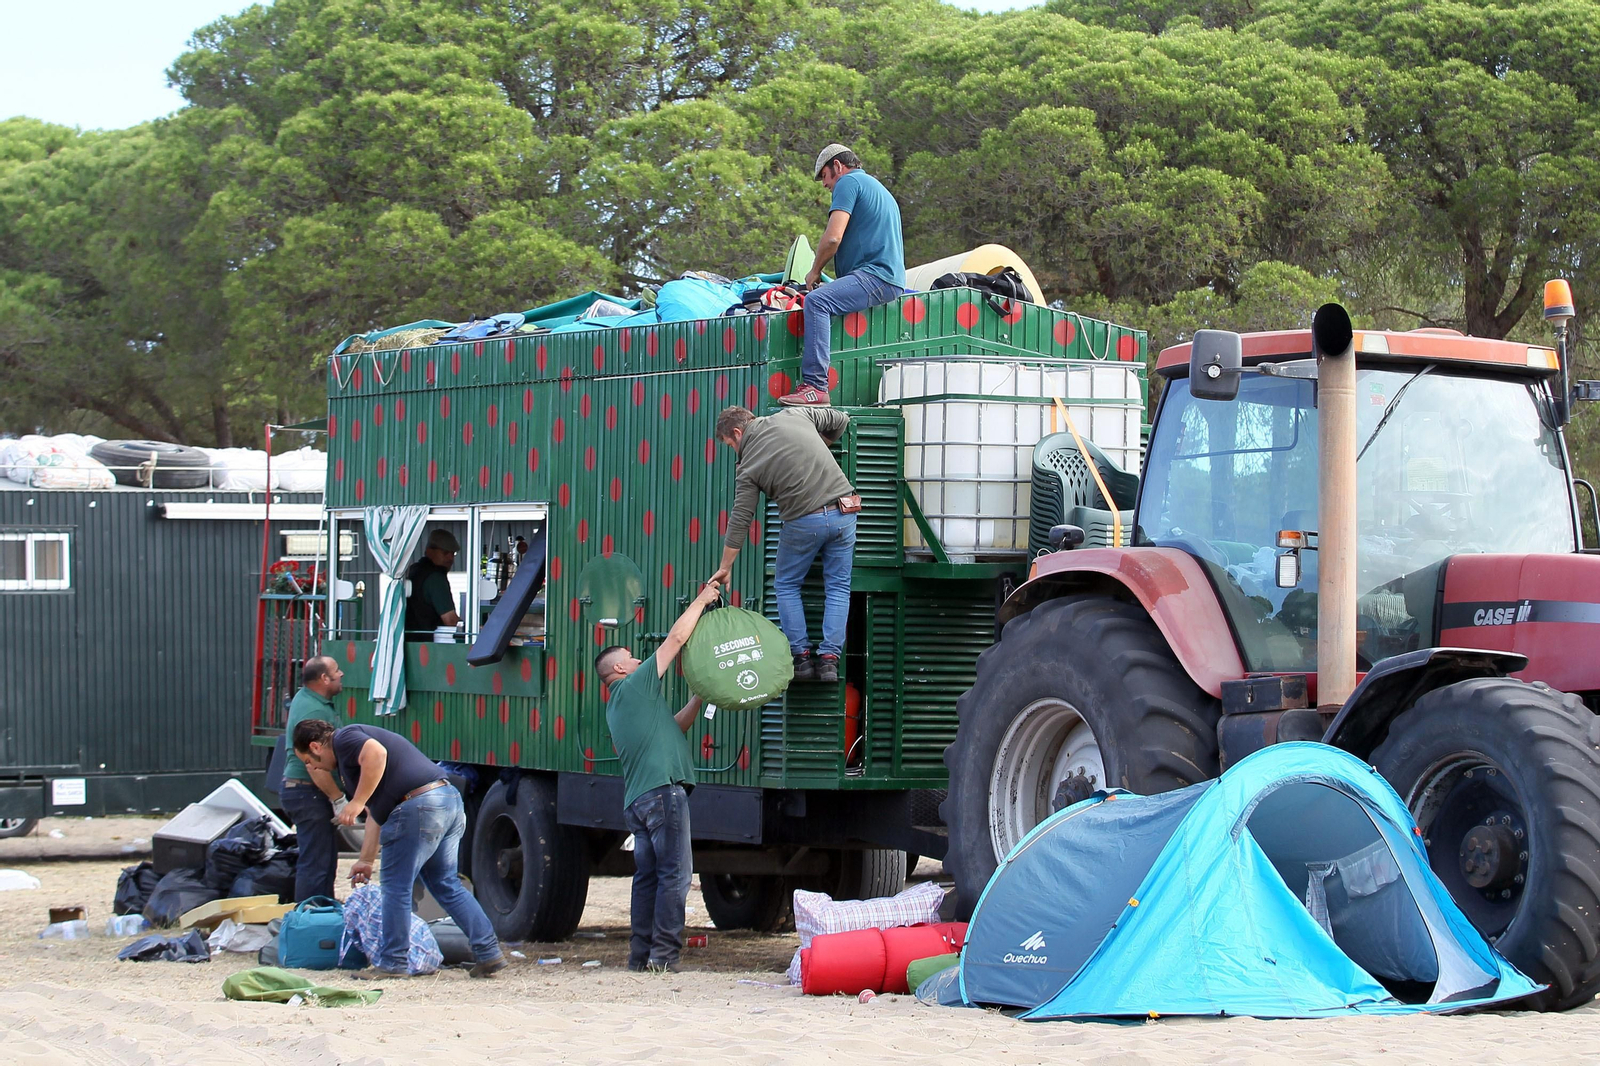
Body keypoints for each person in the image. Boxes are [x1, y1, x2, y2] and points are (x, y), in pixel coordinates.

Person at [292, 718, 506, 978]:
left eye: (308, 761)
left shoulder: (344, 739)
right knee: (445, 883)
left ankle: (393, 962)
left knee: (395, 888)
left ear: (315, 746)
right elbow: (376, 815)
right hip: (446, 800)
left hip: (417, 805)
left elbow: (376, 753)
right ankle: (488, 952)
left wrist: (356, 802)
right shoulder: (352, 762)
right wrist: (366, 861)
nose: (312, 767)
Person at [594, 577, 722, 973]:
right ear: (620, 667)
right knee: (676, 876)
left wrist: (700, 695)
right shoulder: (634, 684)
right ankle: (664, 956)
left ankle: (640, 956)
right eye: (632, 657)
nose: (638, 660)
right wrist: (703, 599)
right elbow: (676, 640)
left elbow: (674, 726)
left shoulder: (620, 706)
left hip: (638, 802)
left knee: (648, 879)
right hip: (663, 796)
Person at [709, 404, 854, 682]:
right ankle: (828, 660)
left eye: (730, 444)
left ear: (738, 432)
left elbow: (741, 518)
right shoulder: (796, 414)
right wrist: (823, 444)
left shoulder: (748, 465)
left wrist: (726, 567)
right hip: (843, 513)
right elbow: (841, 419)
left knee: (786, 585)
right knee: (838, 586)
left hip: (803, 522)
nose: (734, 451)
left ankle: (800, 659)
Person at [781, 143, 905, 408]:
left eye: (824, 177)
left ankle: (815, 386)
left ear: (837, 166)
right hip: (885, 277)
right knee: (827, 300)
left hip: (875, 276)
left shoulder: (848, 183)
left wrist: (815, 270)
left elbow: (833, 238)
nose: (825, 185)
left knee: (817, 302)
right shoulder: (877, 189)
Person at [279, 656, 348, 902]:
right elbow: (314, 765)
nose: (341, 674)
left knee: (324, 860)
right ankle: (310, 918)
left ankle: (321, 915)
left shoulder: (307, 698)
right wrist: (338, 799)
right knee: (317, 863)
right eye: (337, 670)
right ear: (323, 678)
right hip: (309, 792)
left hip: (305, 792)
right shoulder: (314, 710)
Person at [405, 529, 460, 640]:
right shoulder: (435, 578)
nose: (451, 558)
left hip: (409, 641)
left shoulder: (414, 570)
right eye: (445, 553)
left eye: (453, 553)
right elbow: (450, 621)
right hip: (429, 645)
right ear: (430, 551)